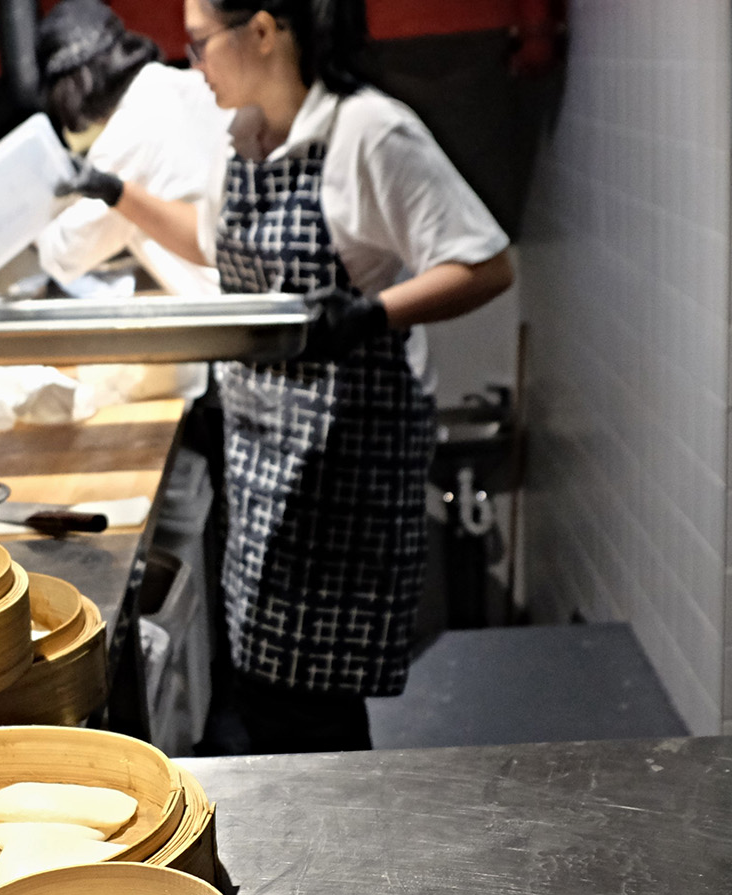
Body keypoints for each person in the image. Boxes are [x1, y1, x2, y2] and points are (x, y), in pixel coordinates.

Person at [60, 0, 514, 753]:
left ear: (264, 32)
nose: (192, 62)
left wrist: (366, 315)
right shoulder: (239, 139)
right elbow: (210, 246)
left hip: (347, 453)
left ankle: (345, 848)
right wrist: (113, 190)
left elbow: (487, 262)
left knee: (312, 696)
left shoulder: (365, 132)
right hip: (263, 446)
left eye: (201, 43)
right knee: (272, 680)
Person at [34, 0, 233, 297]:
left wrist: (31, 214)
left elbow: (66, 254)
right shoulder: (187, 85)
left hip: (224, 303)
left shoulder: (127, 132)